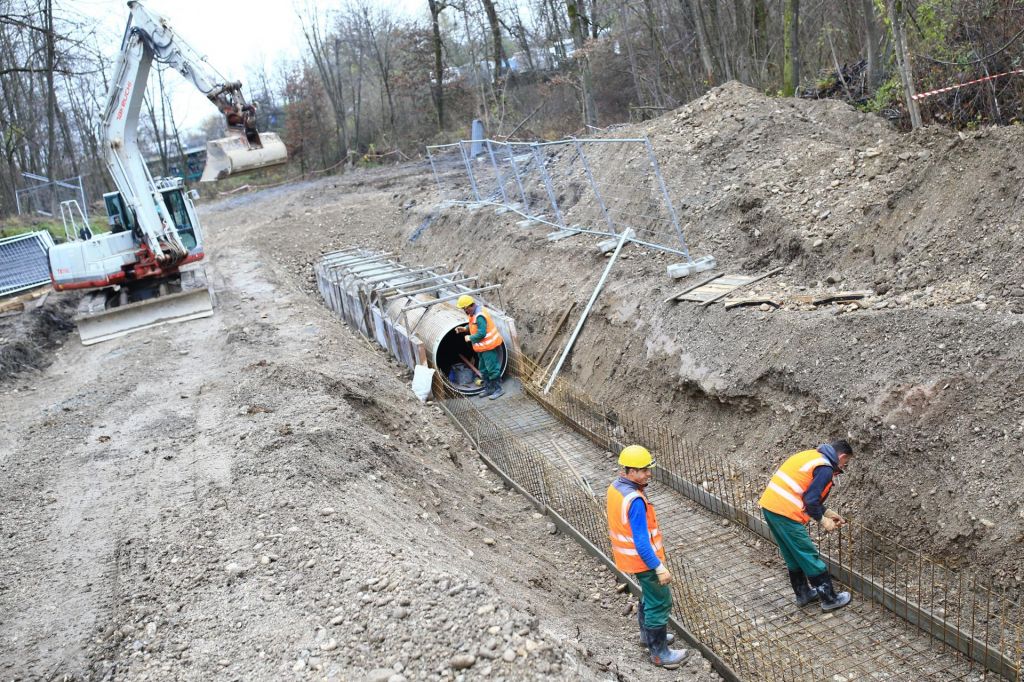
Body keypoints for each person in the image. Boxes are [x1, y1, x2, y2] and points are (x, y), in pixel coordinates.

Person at [607, 445, 689, 669]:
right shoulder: (635, 500)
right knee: (660, 602)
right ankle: (660, 653)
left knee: (649, 598)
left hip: (630, 559)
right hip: (644, 561)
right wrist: (658, 567)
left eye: (648, 469)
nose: (648, 473)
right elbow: (642, 543)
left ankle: (647, 637)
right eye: (643, 470)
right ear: (630, 471)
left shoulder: (617, 487)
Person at [758, 439, 854, 612]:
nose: (843, 467)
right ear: (842, 456)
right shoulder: (825, 468)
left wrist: (826, 512)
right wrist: (823, 521)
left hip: (771, 507)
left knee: (793, 554)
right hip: (785, 513)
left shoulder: (812, 456)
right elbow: (810, 501)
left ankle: (803, 593)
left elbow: (803, 492)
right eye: (845, 463)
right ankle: (830, 599)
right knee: (807, 553)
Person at [456, 295, 505, 399]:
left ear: (469, 306)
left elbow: (482, 333)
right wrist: (465, 329)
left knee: (492, 369)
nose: (464, 311)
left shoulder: (480, 315)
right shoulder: (473, 314)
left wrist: (470, 338)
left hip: (488, 347)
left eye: (464, 309)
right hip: (481, 348)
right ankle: (489, 389)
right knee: (483, 369)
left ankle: (498, 389)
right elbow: (473, 325)